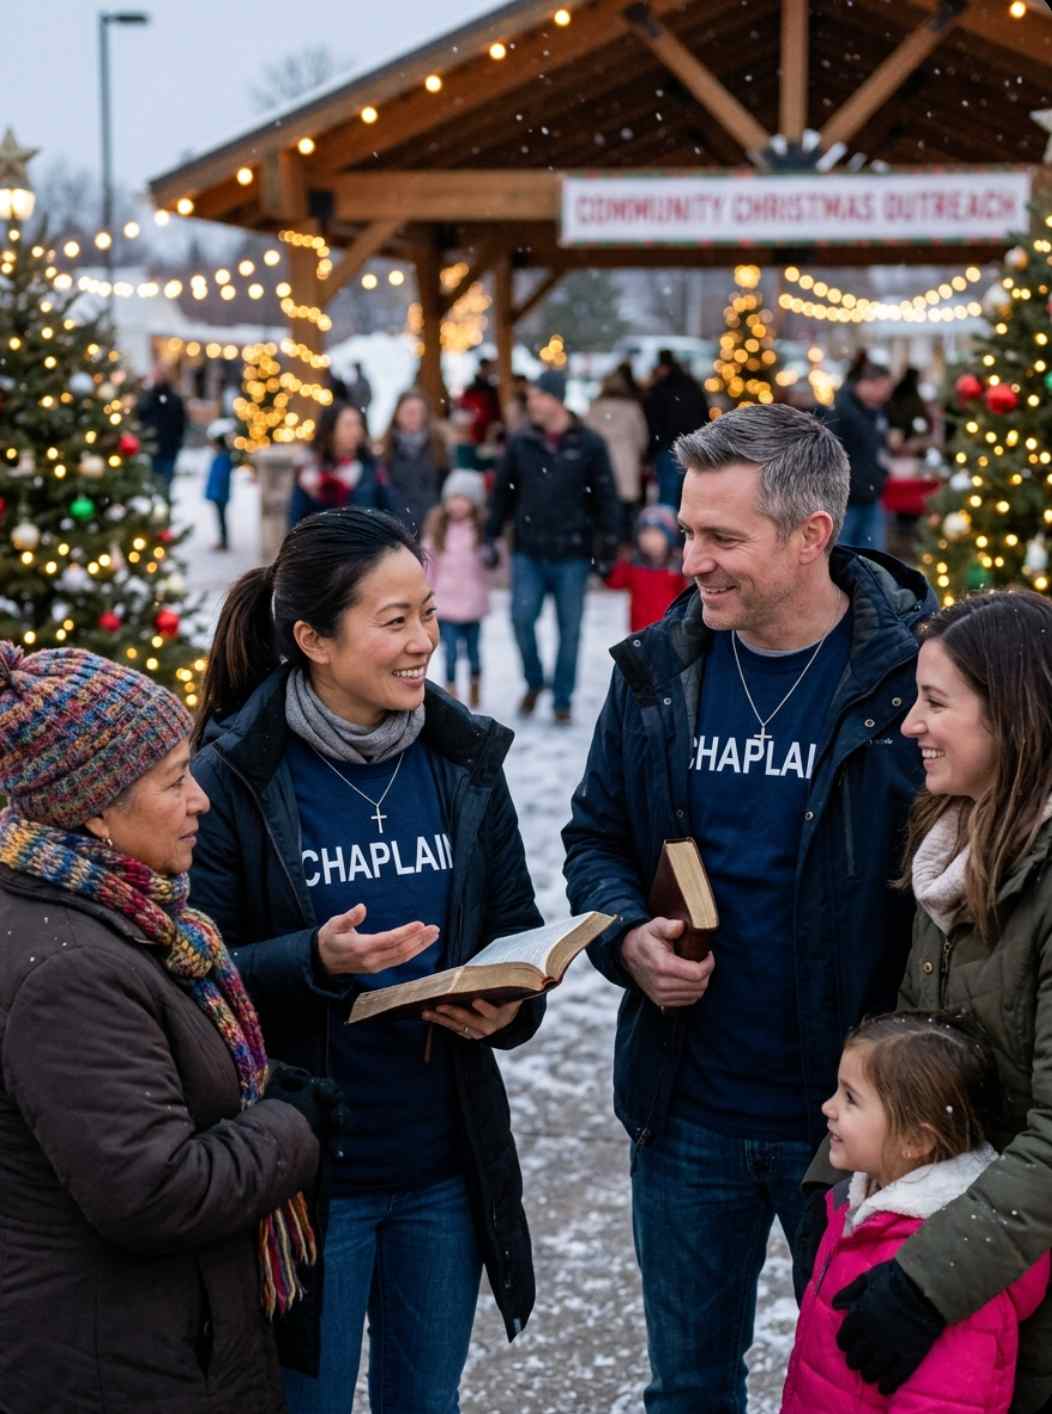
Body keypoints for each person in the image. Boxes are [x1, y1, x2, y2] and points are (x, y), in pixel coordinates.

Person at [562, 402, 935, 1414]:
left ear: (811, 534)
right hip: (687, 1112)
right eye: (686, 530)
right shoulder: (655, 672)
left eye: (721, 537)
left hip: (864, 1125)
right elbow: (592, 837)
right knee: (686, 1388)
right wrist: (625, 941)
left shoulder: (913, 683)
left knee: (863, 1389)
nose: (691, 559)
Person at [188, 507, 544, 1413]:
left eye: (427, 612)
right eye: (395, 621)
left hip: (443, 1165)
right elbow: (195, 969)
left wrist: (513, 1004)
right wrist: (312, 958)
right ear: (312, 638)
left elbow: (514, 925)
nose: (424, 640)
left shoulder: (462, 759)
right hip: (309, 1177)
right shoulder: (235, 774)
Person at [0, 643, 328, 1412]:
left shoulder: (118, 915)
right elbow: (152, 1192)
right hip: (117, 1365)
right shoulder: (69, 970)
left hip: (155, 1342)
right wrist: (290, 1126)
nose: (200, 800)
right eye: (174, 781)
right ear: (94, 810)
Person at [804, 590, 1052, 1414]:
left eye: (936, 702)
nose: (910, 723)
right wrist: (846, 1191)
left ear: (1014, 718)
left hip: (1006, 1281)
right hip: (964, 1259)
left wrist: (927, 1283)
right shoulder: (953, 848)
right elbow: (920, 1063)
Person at [783, 1010, 1049, 1413]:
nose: (828, 1107)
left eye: (850, 1098)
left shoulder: (947, 1277)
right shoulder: (854, 1210)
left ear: (914, 1140)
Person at [485, 368, 621, 724]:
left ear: (556, 399)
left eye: (538, 396)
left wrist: (608, 546)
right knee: (520, 619)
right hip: (528, 550)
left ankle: (562, 699)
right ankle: (534, 681)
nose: (531, 403)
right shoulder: (520, 442)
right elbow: (501, 493)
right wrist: (490, 534)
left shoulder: (589, 444)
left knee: (570, 630)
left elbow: (607, 497)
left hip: (573, 553)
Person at [423, 469, 490, 706]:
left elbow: (492, 564)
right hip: (447, 605)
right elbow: (430, 567)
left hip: (473, 604)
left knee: (473, 652)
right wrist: (426, 594)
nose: (458, 505)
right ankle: (451, 689)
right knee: (449, 653)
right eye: (454, 499)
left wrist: (491, 552)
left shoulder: (482, 531)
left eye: (464, 499)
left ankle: (474, 683)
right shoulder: (438, 530)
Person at [288, 401, 394, 527]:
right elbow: (295, 521)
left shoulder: (371, 468)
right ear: (330, 431)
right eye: (348, 425)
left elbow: (390, 513)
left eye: (358, 425)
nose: (356, 431)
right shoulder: (308, 472)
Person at [827, 357, 894, 551]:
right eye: (884, 388)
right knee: (845, 553)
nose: (886, 395)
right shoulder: (843, 411)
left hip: (870, 493)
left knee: (872, 555)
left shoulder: (873, 410)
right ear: (867, 384)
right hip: (849, 498)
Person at [586, 368, 650, 541]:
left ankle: (607, 547)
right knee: (627, 514)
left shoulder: (595, 408)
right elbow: (642, 438)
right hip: (626, 464)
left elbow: (586, 438)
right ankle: (626, 550)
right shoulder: (632, 408)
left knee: (603, 510)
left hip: (600, 466)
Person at [604, 503, 688, 634]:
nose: (650, 540)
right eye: (645, 534)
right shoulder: (633, 563)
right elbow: (614, 583)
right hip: (639, 634)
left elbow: (685, 596)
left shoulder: (677, 565)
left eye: (656, 534)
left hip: (669, 631)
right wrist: (618, 560)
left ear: (669, 538)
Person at [643, 348, 710, 508]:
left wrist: (653, 449)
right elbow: (703, 415)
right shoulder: (692, 386)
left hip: (667, 447)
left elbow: (652, 422)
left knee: (668, 495)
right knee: (689, 496)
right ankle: (685, 531)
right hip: (692, 445)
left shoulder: (658, 390)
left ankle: (667, 530)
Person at [381, 388, 448, 537]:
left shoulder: (439, 448)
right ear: (397, 415)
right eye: (408, 411)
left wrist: (439, 512)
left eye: (418, 412)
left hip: (433, 531)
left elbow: (448, 487)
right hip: (396, 532)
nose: (413, 416)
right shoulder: (386, 452)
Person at [136, 365, 187, 500]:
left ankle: (165, 512)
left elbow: (181, 423)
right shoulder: (148, 397)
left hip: (169, 448)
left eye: (161, 375)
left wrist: (178, 442)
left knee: (166, 484)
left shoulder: (175, 399)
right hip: (153, 448)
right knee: (153, 484)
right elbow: (141, 416)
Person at [204, 415, 235, 551]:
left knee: (221, 518)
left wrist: (215, 493)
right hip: (219, 494)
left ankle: (224, 541)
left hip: (220, 495)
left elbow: (220, 478)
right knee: (220, 518)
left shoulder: (223, 458)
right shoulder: (220, 457)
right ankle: (222, 540)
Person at [459, 356, 503, 446]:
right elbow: (464, 409)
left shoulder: (491, 389)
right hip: (474, 429)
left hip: (489, 429)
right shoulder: (472, 389)